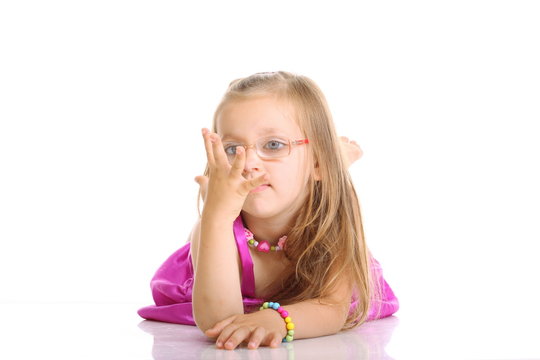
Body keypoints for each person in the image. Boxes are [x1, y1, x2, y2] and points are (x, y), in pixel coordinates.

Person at [137, 71, 399, 350]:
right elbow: (220, 322)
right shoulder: (215, 226)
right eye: (232, 148)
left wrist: (280, 320)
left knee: (328, 188)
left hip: (320, 181)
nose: (248, 163)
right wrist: (217, 215)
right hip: (216, 250)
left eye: (274, 145)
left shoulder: (330, 224)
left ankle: (336, 160)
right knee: (205, 231)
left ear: (318, 163)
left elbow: (332, 307)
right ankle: (329, 160)